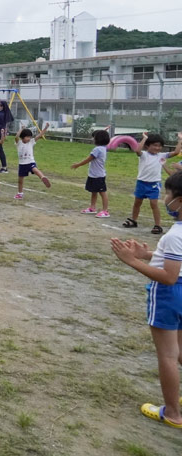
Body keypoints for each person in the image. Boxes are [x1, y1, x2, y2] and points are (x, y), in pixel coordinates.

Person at [110, 171, 182, 429]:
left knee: (168, 355)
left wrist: (133, 261)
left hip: (169, 296)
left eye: (169, 194)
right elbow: (175, 262)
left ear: (180, 201)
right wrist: (150, 253)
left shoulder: (175, 235)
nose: (166, 199)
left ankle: (173, 412)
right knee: (180, 351)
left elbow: (169, 277)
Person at [124, 132, 182, 234]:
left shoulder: (161, 155)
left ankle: (157, 225)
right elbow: (137, 150)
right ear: (147, 146)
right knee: (137, 202)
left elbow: (176, 152)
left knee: (153, 204)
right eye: (155, 145)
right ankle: (133, 220)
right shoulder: (144, 155)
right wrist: (144, 138)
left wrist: (180, 140)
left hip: (154, 184)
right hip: (141, 182)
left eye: (159, 146)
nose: (157, 148)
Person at [71, 127, 112, 218]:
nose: (93, 139)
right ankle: (92, 208)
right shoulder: (103, 148)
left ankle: (105, 211)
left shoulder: (97, 150)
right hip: (94, 175)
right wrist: (102, 131)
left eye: (94, 137)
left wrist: (78, 165)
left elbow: (88, 159)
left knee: (102, 192)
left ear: (98, 139)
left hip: (98, 176)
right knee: (94, 191)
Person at [14, 123, 51, 199]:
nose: (29, 138)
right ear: (23, 137)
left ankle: (43, 177)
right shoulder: (18, 143)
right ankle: (20, 193)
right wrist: (21, 129)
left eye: (30, 137)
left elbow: (39, 135)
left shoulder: (31, 142)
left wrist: (45, 128)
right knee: (20, 180)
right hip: (22, 164)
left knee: (35, 169)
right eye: (27, 137)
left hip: (30, 162)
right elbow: (16, 136)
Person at [0, 100, 14, 173]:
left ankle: (4, 167)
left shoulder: (0, 114)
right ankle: (0, 165)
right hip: (1, 132)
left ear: (2, 106)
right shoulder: (4, 113)